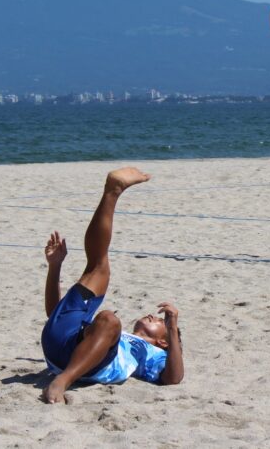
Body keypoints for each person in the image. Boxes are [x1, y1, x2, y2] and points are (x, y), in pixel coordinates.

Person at [40, 167, 184, 403]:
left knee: (108, 319)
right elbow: (54, 316)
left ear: (163, 341)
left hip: (84, 367)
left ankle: (62, 382)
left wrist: (173, 327)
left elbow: (174, 378)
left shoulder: (152, 353)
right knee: (98, 267)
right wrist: (55, 267)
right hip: (60, 343)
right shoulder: (113, 334)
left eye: (159, 322)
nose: (153, 315)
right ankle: (112, 191)